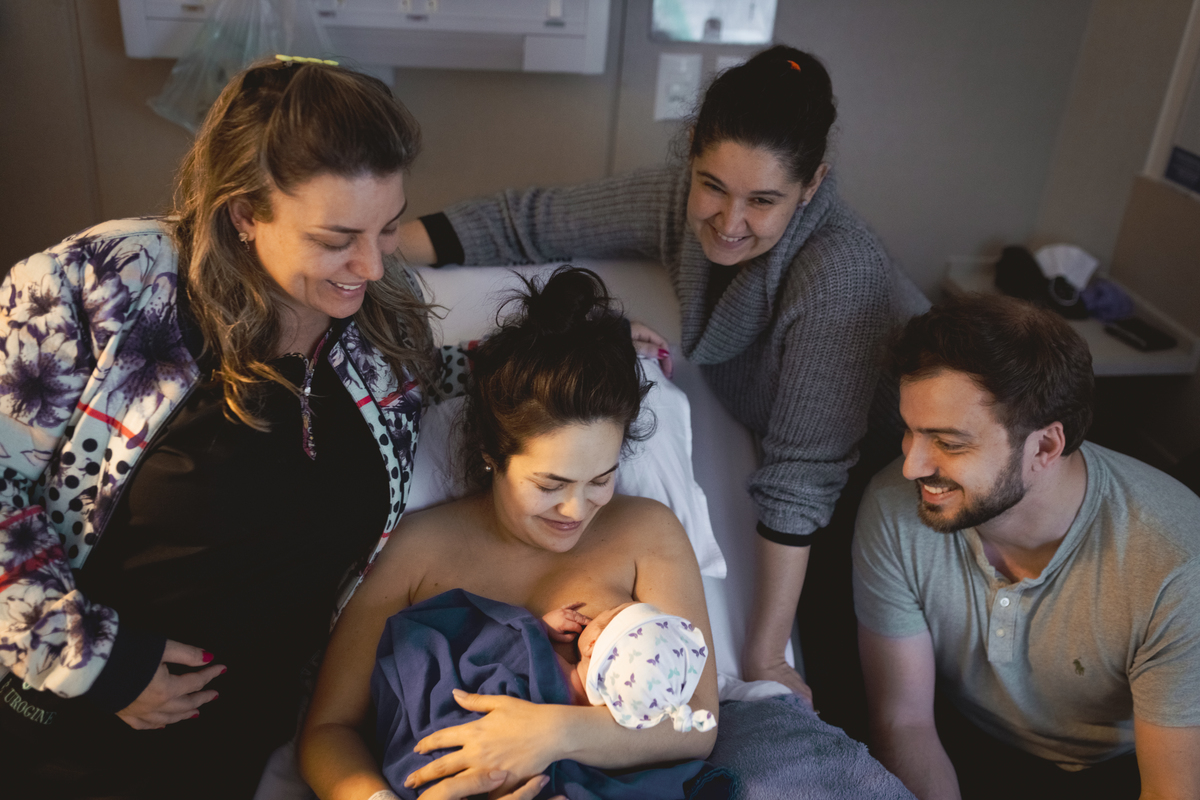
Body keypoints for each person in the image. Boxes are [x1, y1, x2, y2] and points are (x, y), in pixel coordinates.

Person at [392, 43, 927, 737]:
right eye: (713, 187)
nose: (729, 221)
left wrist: (765, 654)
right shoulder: (677, 201)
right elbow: (533, 221)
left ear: (812, 185)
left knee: (857, 704)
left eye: (763, 201)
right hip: (793, 455)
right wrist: (371, 242)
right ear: (692, 164)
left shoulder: (839, 274)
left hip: (886, 477)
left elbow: (803, 479)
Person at [0, 58, 448, 798]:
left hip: (241, 745)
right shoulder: (104, 284)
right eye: (337, 237)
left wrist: (546, 350)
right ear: (245, 212)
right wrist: (93, 661)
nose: (369, 263)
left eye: (389, 226)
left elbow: (434, 382)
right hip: (64, 727)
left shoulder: (379, 329)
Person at [298, 268, 723, 799]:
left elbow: (697, 722)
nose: (576, 508)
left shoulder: (645, 533)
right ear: (491, 458)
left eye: (601, 479)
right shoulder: (416, 551)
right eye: (550, 483)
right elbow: (327, 731)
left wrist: (549, 734)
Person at [852, 294, 1200, 800]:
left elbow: (1171, 791)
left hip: (1109, 771)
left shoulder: (1176, 568)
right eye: (910, 431)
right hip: (955, 735)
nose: (911, 466)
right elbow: (904, 722)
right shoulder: (893, 507)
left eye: (948, 443)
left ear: (1044, 447)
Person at [543, 600, 717, 734]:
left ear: (592, 643)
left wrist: (539, 626)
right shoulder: (593, 731)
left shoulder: (548, 664)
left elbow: (517, 644)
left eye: (606, 613)